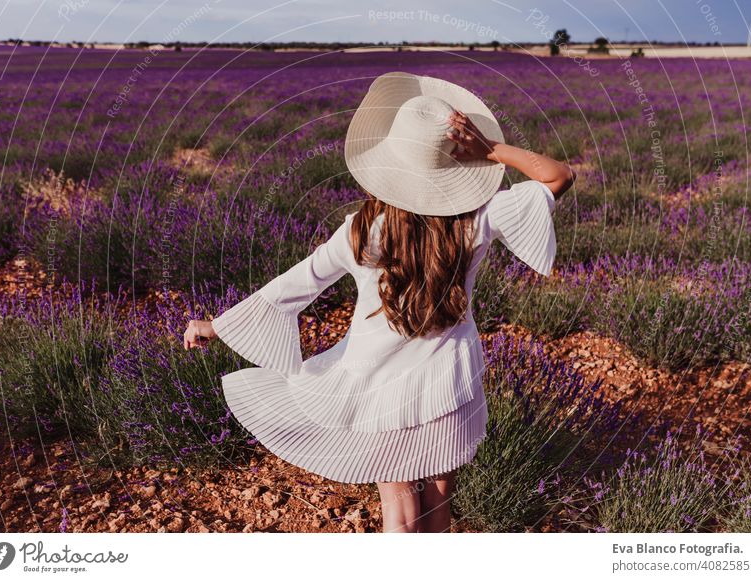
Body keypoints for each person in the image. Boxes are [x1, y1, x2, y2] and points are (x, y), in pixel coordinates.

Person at [184, 72, 575, 533]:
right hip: (449, 385)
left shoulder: (360, 229)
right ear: (452, 166)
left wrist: (218, 325)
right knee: (437, 509)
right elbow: (559, 175)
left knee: (401, 516)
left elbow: (296, 284)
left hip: (377, 390)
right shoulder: (476, 221)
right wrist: (491, 149)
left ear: (388, 164)